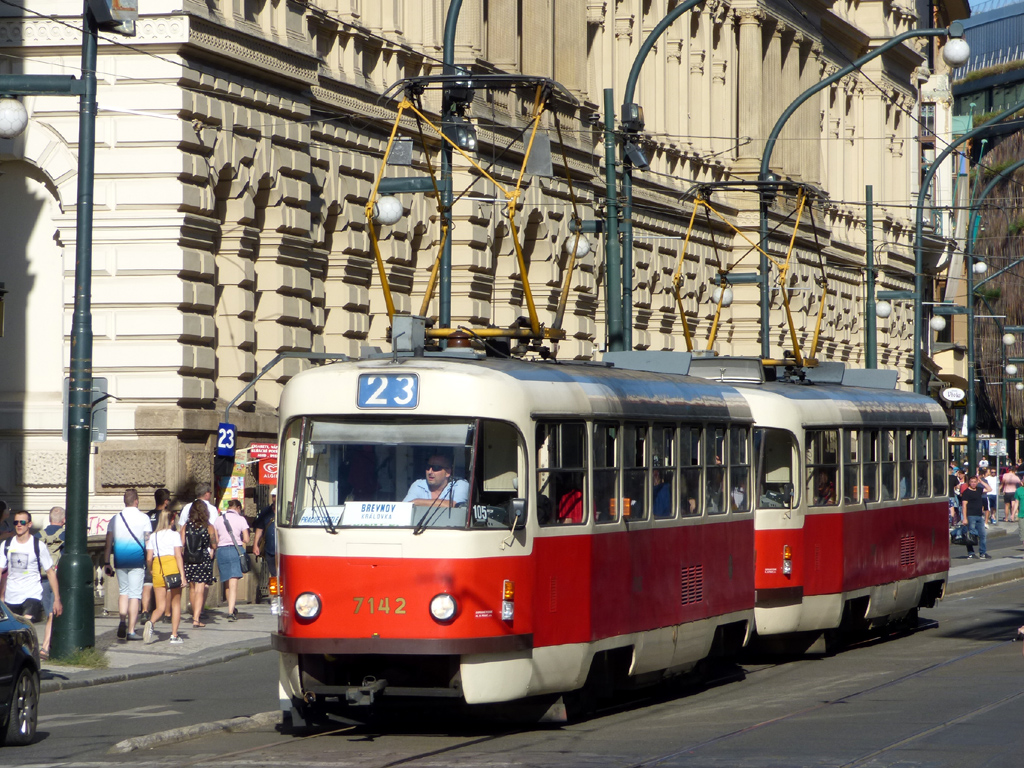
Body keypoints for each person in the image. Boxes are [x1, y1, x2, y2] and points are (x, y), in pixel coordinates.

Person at [103, 488, 153, 640]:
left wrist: (106, 562)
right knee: (135, 595)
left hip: (120, 560)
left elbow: (108, 542)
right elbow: (148, 541)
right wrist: (150, 560)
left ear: (124, 501)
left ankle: (122, 620)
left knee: (123, 592)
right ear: (136, 501)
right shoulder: (144, 518)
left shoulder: (115, 519)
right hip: (137, 560)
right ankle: (131, 630)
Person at [0, 511, 62, 626]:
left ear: (29, 524)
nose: (19, 525)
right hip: (11, 596)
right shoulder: (6, 545)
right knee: (14, 631)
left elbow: (50, 572)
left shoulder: (38, 545)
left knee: (26, 625)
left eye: (22, 522)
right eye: (16, 522)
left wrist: (57, 599)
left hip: (32, 594)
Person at [144, 508, 185, 645]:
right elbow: (178, 555)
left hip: (158, 568)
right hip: (172, 568)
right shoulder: (175, 535)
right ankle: (174, 635)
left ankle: (151, 622)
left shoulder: (153, 536)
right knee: (175, 603)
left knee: (160, 607)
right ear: (172, 520)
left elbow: (149, 558)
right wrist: (183, 576)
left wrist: (151, 569)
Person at [181, 496, 217, 628]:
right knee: (200, 590)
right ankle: (196, 618)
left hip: (189, 560)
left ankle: (193, 614)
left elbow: (181, 544)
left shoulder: (186, 526)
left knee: (192, 588)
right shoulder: (209, 527)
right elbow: (214, 545)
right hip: (203, 559)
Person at [214, 498, 250, 622]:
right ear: (238, 508)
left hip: (221, 551)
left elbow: (216, 539)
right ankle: (230, 612)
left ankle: (231, 607)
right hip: (235, 550)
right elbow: (247, 539)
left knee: (227, 582)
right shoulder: (241, 519)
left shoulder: (218, 519)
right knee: (233, 582)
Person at [141, 488, 172, 623]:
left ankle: (144, 611)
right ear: (166, 501)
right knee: (167, 585)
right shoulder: (167, 516)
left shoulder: (147, 516)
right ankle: (167, 613)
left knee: (147, 583)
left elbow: (145, 536)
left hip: (149, 552)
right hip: (164, 555)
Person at [40, 506, 65, 659]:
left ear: (50, 519)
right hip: (56, 577)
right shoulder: (66, 535)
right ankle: (45, 647)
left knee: (46, 612)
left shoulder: (38, 536)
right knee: (51, 614)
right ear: (64, 520)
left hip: (41, 578)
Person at [403, 453, 469, 506]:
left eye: (436, 468)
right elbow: (405, 506)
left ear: (448, 472)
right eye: (428, 467)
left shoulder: (460, 485)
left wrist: (417, 502)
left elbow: (455, 505)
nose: (430, 472)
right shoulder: (418, 485)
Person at [960, 475, 990, 560]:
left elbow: (989, 489)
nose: (973, 484)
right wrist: (965, 518)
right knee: (970, 535)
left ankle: (982, 553)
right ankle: (971, 553)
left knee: (983, 535)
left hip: (979, 516)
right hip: (970, 516)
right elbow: (964, 505)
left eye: (975, 482)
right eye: (972, 482)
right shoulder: (966, 492)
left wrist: (981, 481)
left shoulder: (979, 490)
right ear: (969, 483)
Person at [253, 488, 277, 577]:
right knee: (274, 574)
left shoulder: (287, 511)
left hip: (283, 550)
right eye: (273, 496)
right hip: (269, 549)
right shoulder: (266, 511)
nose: (275, 498)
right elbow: (259, 528)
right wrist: (255, 545)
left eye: (276, 496)